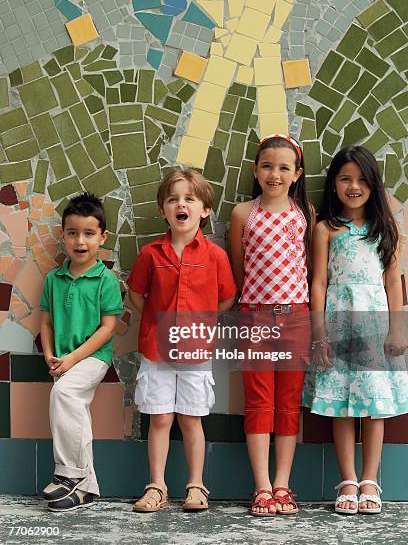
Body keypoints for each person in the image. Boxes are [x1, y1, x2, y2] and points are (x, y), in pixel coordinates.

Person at [303, 145, 408, 515]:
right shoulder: (326, 230)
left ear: (373, 185)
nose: (354, 186)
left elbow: (394, 282)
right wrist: (319, 334)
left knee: (374, 407)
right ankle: (347, 479)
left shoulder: (386, 228)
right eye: (346, 178)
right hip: (338, 324)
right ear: (333, 184)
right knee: (342, 406)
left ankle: (369, 480)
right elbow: (317, 283)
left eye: (362, 179)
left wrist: (397, 330)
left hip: (375, 326)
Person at [128, 169, 236, 513]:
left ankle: (196, 486)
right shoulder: (150, 254)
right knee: (159, 419)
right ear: (163, 209)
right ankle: (156, 486)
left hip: (196, 351)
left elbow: (227, 298)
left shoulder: (215, 256)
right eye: (173, 199)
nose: (181, 204)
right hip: (156, 352)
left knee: (191, 419)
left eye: (189, 198)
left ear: (204, 210)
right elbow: (135, 294)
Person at [230, 134, 314, 516]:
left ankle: (283, 484)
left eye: (284, 168)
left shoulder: (305, 214)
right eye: (267, 166)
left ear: (296, 174)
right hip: (255, 316)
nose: (274, 174)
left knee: (288, 402)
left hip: (295, 316)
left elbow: (310, 267)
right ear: (255, 170)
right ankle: (262, 486)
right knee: (259, 400)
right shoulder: (243, 213)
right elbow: (237, 267)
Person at [40, 192, 123, 512]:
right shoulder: (53, 279)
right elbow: (45, 323)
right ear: (62, 234)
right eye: (73, 232)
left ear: (102, 237)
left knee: (64, 394)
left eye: (89, 233)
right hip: (62, 359)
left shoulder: (105, 279)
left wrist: (72, 359)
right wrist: (50, 354)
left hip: (93, 358)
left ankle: (68, 474)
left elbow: (107, 328)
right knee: (73, 408)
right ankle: (86, 489)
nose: (80, 240)